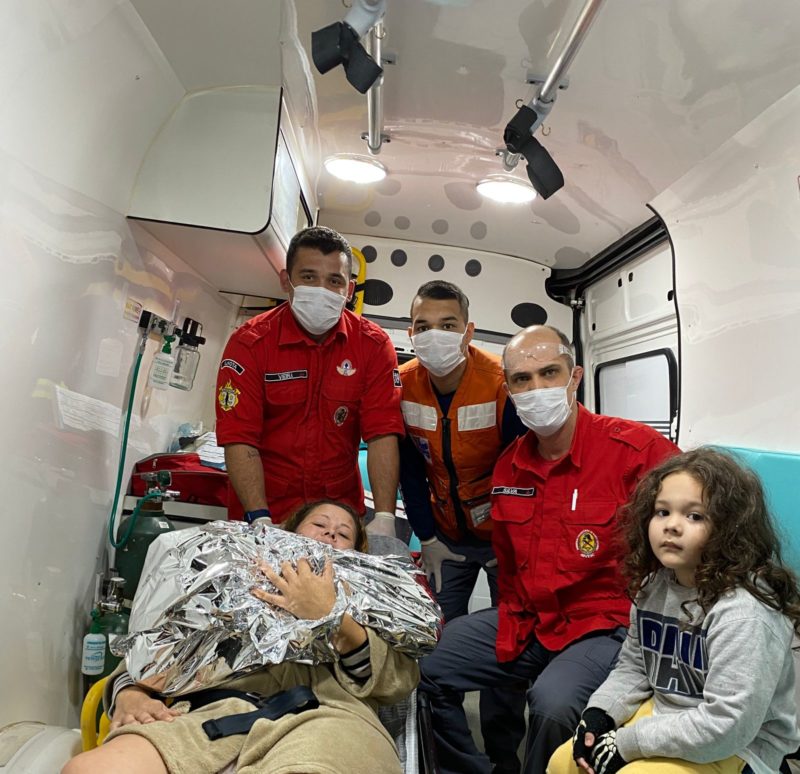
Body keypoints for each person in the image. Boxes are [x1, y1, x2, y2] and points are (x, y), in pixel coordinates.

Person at [419, 324, 680, 774]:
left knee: (553, 704)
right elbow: (509, 562)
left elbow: (694, 534)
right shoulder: (510, 467)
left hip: (606, 624)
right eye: (521, 379)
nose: (536, 388)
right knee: (423, 666)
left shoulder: (637, 452)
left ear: (574, 377)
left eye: (549, 373)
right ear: (509, 389)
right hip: (529, 619)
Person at [63, 500, 419, 774]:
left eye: (343, 535)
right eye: (320, 525)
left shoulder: (375, 603)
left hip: (329, 715)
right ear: (288, 533)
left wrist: (332, 615)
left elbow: (397, 682)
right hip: (219, 711)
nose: (330, 535)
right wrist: (130, 692)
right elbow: (156, 650)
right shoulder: (227, 580)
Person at [547, 448, 800, 774]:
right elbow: (635, 666)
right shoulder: (656, 584)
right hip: (667, 716)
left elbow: (726, 725)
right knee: (564, 763)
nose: (672, 526)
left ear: (730, 527)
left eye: (695, 516)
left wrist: (627, 743)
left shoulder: (744, 612)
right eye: (662, 512)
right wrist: (599, 715)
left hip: (741, 744)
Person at [399, 280, 527, 773]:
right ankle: (445, 753)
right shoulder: (405, 383)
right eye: (424, 326)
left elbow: (522, 470)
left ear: (468, 330)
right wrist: (425, 537)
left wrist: (511, 545)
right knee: (430, 639)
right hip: (444, 537)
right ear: (410, 332)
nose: (435, 335)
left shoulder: (499, 384)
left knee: (508, 647)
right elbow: (412, 468)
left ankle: (503, 755)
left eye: (448, 326)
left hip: (502, 539)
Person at [215, 226, 404, 535]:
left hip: (337, 517)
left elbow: (382, 433)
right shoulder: (250, 342)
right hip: (266, 508)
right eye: (308, 277)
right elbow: (239, 438)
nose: (321, 289)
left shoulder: (372, 345)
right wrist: (260, 519)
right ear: (285, 280)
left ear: (350, 289)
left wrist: (384, 517)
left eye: (334, 281)